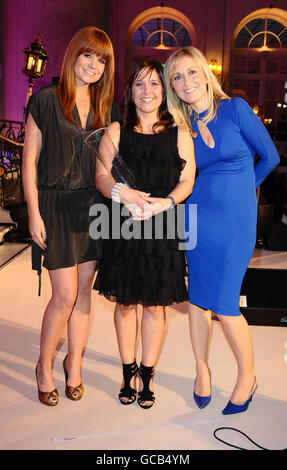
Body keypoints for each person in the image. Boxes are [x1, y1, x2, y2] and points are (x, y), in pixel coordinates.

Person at [164, 46, 280, 414]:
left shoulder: (235, 110)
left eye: (191, 73)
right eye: (177, 77)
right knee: (197, 299)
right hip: (198, 217)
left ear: (205, 73)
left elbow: (271, 157)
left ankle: (247, 377)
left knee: (227, 304)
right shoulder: (181, 128)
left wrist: (246, 190)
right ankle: (202, 370)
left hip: (236, 220)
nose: (186, 82)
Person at [22, 26, 120, 406]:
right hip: (54, 205)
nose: (93, 65)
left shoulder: (106, 108)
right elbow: (29, 163)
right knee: (62, 294)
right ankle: (43, 364)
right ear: (74, 56)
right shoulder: (45, 100)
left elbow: (108, 166)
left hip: (92, 208)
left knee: (82, 293)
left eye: (101, 60)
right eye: (88, 55)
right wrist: (33, 212)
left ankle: (73, 362)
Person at [93, 58, 195, 408]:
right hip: (122, 227)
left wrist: (165, 203)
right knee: (124, 303)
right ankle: (127, 371)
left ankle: (147, 375)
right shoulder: (115, 131)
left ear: (165, 90)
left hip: (162, 228)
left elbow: (187, 180)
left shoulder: (180, 134)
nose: (147, 91)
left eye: (154, 84)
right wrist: (123, 194)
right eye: (140, 84)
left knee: (154, 306)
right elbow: (102, 177)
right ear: (130, 90)